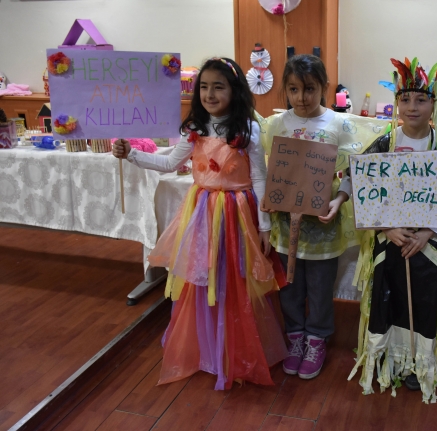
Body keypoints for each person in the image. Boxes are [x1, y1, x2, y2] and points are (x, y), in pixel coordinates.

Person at [112, 57, 288, 390]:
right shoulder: (193, 129)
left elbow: (260, 176)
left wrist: (264, 226)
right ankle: (208, 347)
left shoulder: (247, 129)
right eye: (203, 86)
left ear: (234, 91)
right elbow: (167, 163)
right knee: (203, 277)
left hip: (237, 214)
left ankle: (235, 347)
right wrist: (131, 154)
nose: (209, 93)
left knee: (233, 278)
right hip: (203, 213)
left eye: (218, 86)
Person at [347, 58, 437, 404]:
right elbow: (362, 184)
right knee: (389, 298)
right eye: (405, 99)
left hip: (425, 244)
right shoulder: (384, 144)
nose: (412, 107)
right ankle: (389, 357)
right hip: (390, 239)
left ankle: (418, 361)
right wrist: (387, 226)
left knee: (423, 301)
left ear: (435, 104)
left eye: (421, 99)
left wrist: (428, 232)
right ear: (396, 103)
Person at [258, 54, 387, 380]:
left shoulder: (338, 124)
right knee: (288, 286)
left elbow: (354, 167)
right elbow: (269, 167)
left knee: (319, 288)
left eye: (310, 89)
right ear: (286, 90)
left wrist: (340, 198)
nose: (301, 98)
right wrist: (271, 198)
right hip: (287, 227)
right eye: (294, 89)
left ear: (324, 88)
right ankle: (295, 337)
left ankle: (317, 339)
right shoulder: (277, 124)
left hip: (322, 227)